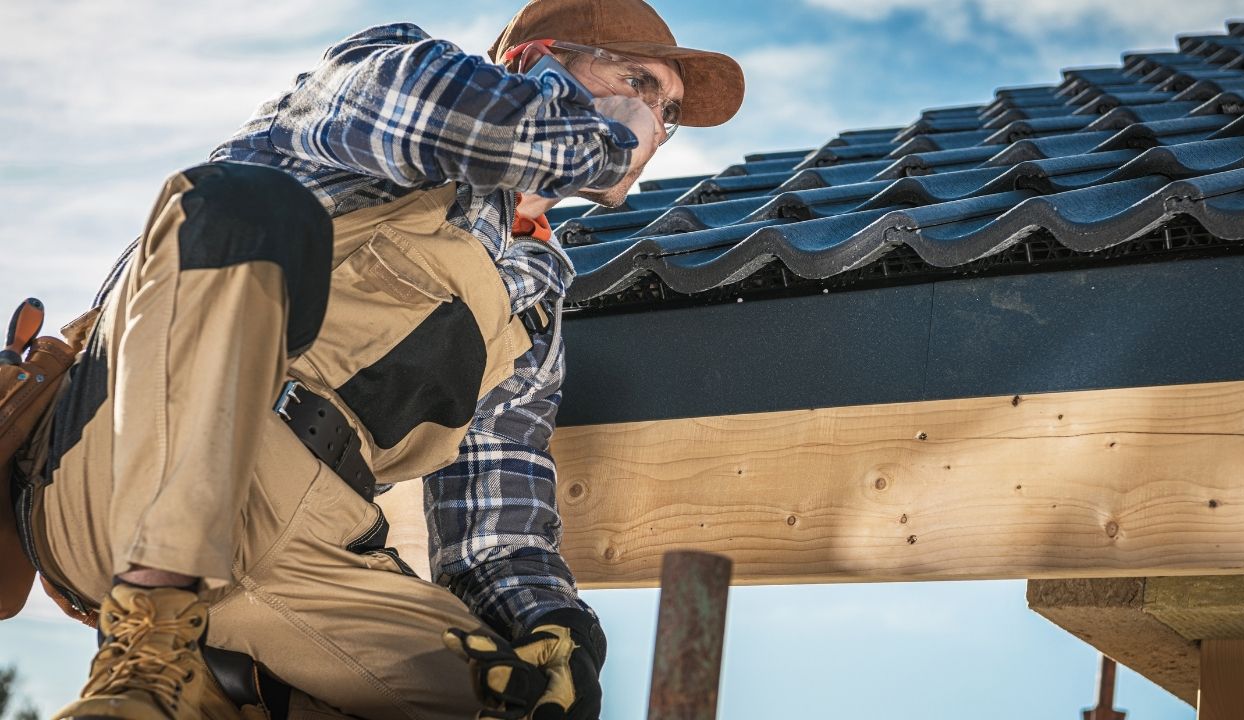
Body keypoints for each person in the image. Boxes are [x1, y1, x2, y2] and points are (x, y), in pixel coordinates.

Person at [11, 0, 744, 718]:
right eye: (639, 84)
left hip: (311, 552)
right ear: (534, 61)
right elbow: (473, 120)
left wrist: (555, 625)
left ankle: (217, 685)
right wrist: (604, 135)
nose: (657, 124)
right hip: (124, 469)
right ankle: (149, 639)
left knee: (514, 698)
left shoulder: (535, 306)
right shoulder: (387, 81)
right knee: (236, 206)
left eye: (670, 112)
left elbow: (493, 530)